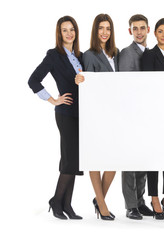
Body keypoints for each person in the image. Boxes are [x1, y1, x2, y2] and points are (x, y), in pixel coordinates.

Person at [28, 15, 83, 220]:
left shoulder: (80, 55)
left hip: (81, 115)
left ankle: (67, 204)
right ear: (59, 34)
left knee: (75, 160)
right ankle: (56, 201)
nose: (69, 33)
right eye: (64, 30)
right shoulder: (54, 55)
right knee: (70, 159)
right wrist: (53, 100)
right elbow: (33, 80)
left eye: (72, 29)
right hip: (66, 113)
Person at [75, 13, 120, 220]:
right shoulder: (89, 54)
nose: (104, 32)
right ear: (95, 31)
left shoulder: (116, 53)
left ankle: (99, 198)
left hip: (114, 113)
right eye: (101, 28)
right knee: (95, 158)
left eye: (108, 28)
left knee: (114, 160)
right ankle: (102, 205)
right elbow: (88, 86)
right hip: (95, 113)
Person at [140, 18, 164, 220]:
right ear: (154, 33)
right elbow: (147, 84)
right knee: (154, 155)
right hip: (154, 113)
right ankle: (154, 198)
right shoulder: (149, 55)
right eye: (160, 31)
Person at [118, 14, 153, 220]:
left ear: (148, 29)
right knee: (130, 162)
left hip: (147, 115)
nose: (139, 32)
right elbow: (124, 86)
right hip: (130, 114)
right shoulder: (126, 53)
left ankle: (140, 202)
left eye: (142, 28)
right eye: (135, 28)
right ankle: (131, 205)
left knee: (143, 161)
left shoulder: (150, 52)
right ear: (130, 31)